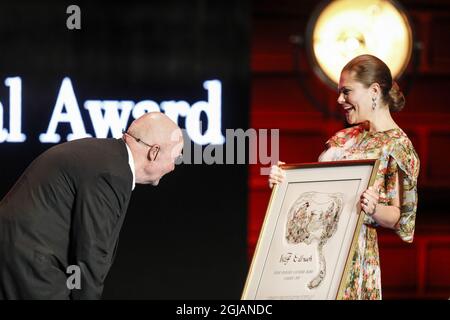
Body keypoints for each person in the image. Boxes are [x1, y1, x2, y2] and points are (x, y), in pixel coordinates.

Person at [269, 54, 420, 300]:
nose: (339, 99)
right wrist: (284, 182)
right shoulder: (344, 138)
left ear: (373, 91)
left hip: (354, 255)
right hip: (314, 250)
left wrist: (373, 208)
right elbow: (317, 192)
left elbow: (399, 217)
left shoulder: (398, 147)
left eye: (346, 91)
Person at [0, 112, 183, 299]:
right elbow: (90, 254)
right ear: (154, 152)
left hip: (19, 256)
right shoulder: (112, 173)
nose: (173, 167)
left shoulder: (105, 157)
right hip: (31, 266)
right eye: (175, 158)